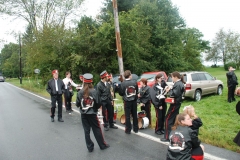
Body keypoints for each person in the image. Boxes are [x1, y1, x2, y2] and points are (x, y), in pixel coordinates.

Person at [76, 73, 110, 152]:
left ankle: (90, 147)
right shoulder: (94, 91)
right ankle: (102, 145)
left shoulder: (80, 92)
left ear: (84, 81)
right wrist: (94, 108)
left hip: (84, 114)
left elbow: (78, 104)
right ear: (91, 82)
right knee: (97, 129)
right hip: (92, 114)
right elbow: (98, 103)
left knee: (86, 130)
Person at [161, 71, 185, 142]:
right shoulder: (179, 83)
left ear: (175, 77)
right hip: (177, 103)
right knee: (174, 120)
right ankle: (173, 135)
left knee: (168, 119)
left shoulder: (178, 84)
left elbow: (174, 94)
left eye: (172, 77)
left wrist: (169, 90)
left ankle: (167, 137)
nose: (171, 79)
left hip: (175, 104)